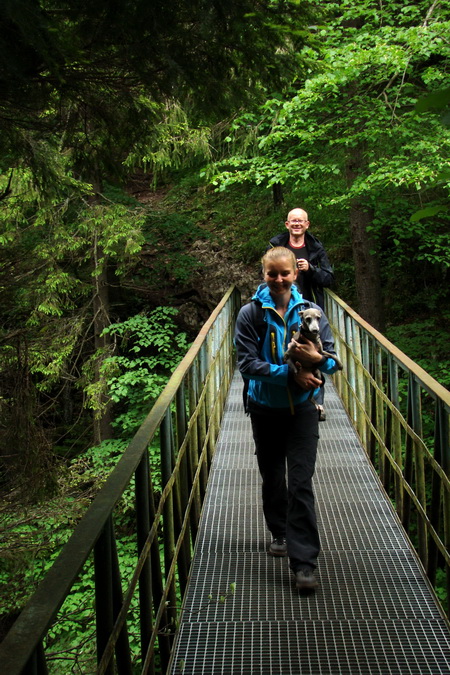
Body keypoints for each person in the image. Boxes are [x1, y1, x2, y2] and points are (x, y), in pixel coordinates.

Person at [234, 247, 340, 592]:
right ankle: (279, 530)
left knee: (301, 482)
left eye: (285, 273)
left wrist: (317, 360)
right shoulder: (250, 314)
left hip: (303, 410)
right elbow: (247, 365)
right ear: (263, 274)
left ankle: (304, 563)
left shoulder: (312, 311)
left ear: (296, 273)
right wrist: (288, 375)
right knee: (273, 478)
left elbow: (333, 361)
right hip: (265, 409)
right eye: (272, 274)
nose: (278, 279)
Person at [267, 208, 334, 421]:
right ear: (287, 225)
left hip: (311, 311)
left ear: (307, 225)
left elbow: (328, 279)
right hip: (282, 308)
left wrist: (311, 269)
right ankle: (286, 394)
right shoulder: (276, 247)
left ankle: (318, 403)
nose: (297, 224)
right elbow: (268, 274)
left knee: (315, 352)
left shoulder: (316, 248)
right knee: (286, 349)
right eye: (293, 221)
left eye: (301, 221)